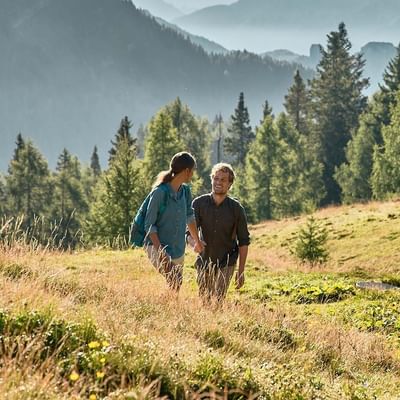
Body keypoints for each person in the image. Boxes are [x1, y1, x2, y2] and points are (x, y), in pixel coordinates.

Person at [188, 163, 250, 303]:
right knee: (205, 300)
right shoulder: (198, 203)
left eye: (223, 180)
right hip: (204, 260)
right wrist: (194, 242)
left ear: (230, 184)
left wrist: (241, 272)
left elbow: (244, 241)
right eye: (216, 178)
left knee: (218, 299)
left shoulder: (236, 209)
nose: (218, 182)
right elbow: (188, 232)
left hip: (227, 261)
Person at [144, 152, 204, 291]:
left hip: (177, 247)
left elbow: (189, 216)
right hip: (156, 245)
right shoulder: (159, 192)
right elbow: (149, 225)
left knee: (176, 285)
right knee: (175, 279)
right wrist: (161, 253)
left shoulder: (185, 191)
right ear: (187, 171)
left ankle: (169, 310)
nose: (193, 174)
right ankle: (163, 308)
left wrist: (197, 241)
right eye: (193, 171)